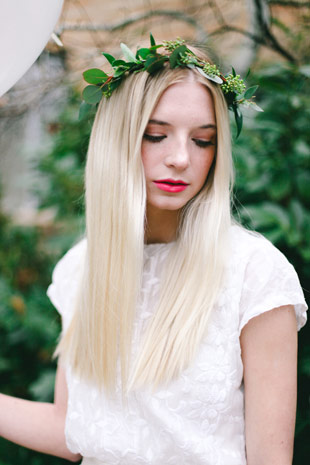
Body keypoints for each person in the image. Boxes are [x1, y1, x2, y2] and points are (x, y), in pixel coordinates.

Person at [0, 36, 307, 465]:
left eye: (203, 140)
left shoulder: (254, 274)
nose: (181, 157)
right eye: (156, 135)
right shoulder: (82, 268)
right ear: (118, 140)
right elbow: (76, 430)